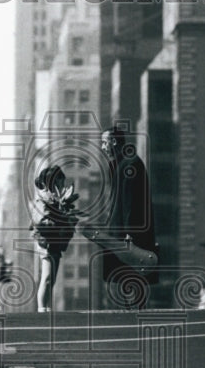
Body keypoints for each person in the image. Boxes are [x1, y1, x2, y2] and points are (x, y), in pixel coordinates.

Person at [93, 126, 158, 309]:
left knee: (133, 271)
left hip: (129, 233)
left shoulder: (129, 164)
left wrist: (130, 233)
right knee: (128, 274)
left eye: (104, 143)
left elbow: (130, 202)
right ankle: (134, 308)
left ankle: (136, 309)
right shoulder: (124, 163)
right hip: (124, 231)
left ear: (114, 142)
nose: (103, 147)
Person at [29, 164, 79, 311]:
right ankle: (42, 309)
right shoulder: (43, 198)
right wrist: (61, 219)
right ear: (54, 181)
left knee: (52, 279)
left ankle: (46, 308)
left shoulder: (55, 199)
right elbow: (41, 221)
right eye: (60, 182)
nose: (62, 186)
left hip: (54, 243)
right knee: (47, 277)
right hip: (46, 243)